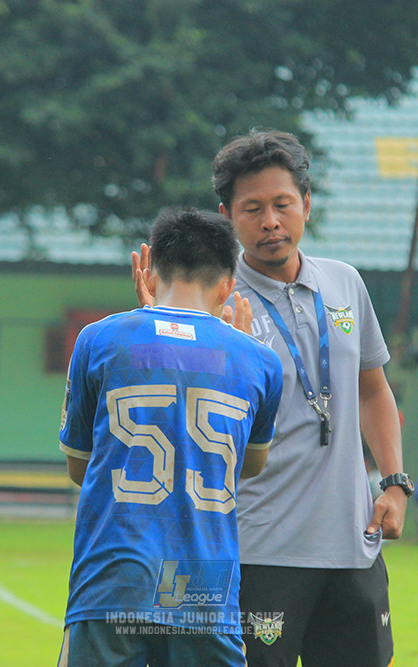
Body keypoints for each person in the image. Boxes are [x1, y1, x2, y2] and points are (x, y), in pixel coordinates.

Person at [133, 129, 408, 666]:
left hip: (354, 546)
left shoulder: (345, 283)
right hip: (256, 549)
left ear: (306, 203)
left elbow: (373, 390)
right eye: (252, 209)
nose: (270, 222)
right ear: (227, 216)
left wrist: (395, 482)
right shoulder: (213, 302)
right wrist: (162, 326)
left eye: (282, 205)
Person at [59, 207, 283, 665]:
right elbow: (250, 465)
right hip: (205, 582)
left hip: (113, 576)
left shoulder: (98, 339)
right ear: (228, 284)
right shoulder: (259, 360)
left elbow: (81, 467)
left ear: (151, 270)